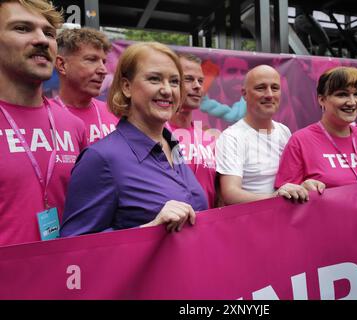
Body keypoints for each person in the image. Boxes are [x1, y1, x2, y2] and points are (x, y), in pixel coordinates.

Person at [60, 42, 208, 236]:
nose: (167, 90)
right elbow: (74, 245)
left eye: (174, 81)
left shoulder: (171, 146)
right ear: (126, 86)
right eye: (154, 79)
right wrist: (149, 229)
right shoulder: (101, 158)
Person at [0, 0, 87, 246]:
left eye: (49, 33)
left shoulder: (73, 125)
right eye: (22, 28)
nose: (42, 40)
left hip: (65, 278)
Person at [215, 64, 324, 205]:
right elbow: (230, 194)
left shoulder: (284, 131)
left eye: (275, 88)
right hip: (253, 222)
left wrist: (304, 186)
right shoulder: (232, 137)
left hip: (288, 219)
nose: (269, 95)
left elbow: (291, 181)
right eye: (261, 88)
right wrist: (275, 198)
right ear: (244, 94)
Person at [275, 67, 357, 189]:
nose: (352, 102)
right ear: (322, 100)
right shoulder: (301, 141)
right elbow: (283, 195)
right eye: (342, 94)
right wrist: (302, 188)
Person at [167, 53, 218, 208]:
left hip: (206, 228)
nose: (197, 86)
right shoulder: (156, 135)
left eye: (200, 81)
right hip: (171, 228)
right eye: (189, 79)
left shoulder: (210, 138)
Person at [53, 27, 118, 145]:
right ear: (62, 65)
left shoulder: (116, 114)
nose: (103, 70)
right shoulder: (45, 117)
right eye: (91, 60)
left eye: (103, 62)